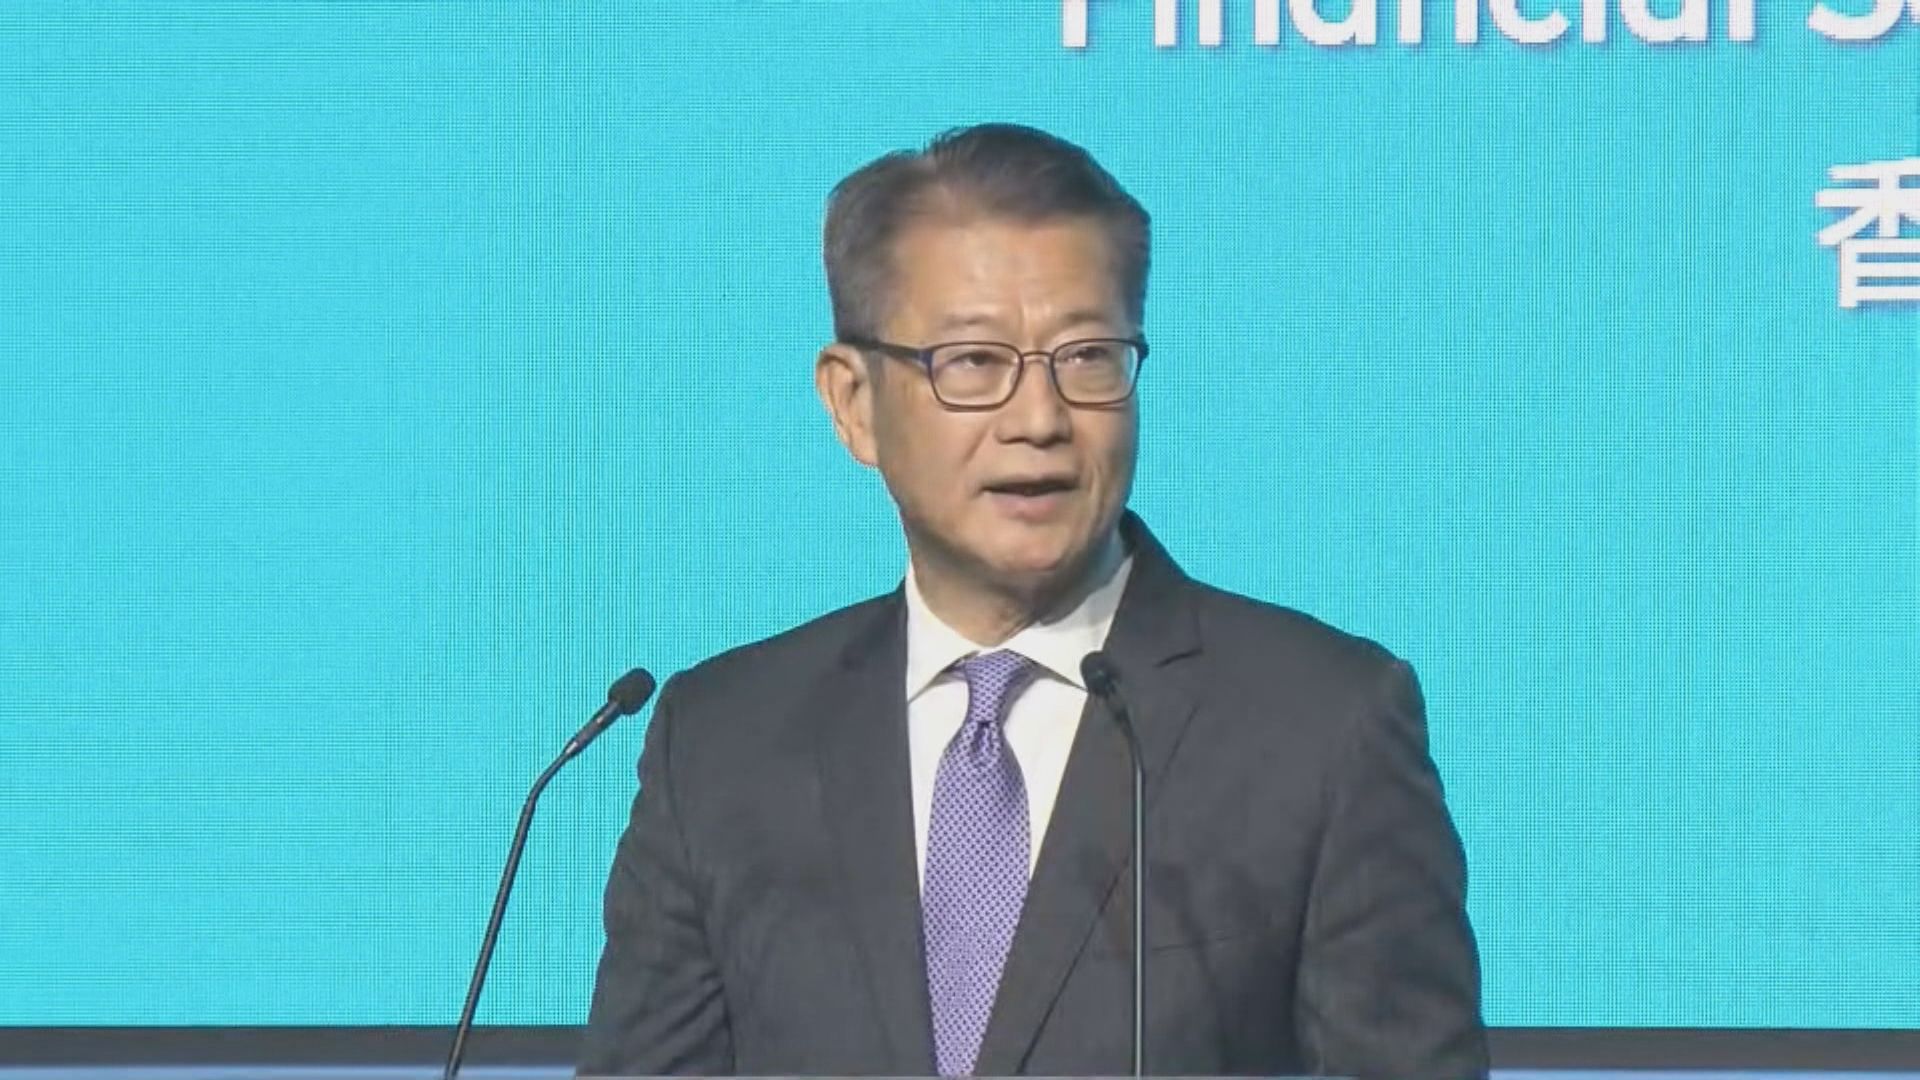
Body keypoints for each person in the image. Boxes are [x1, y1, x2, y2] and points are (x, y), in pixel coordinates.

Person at [579, 123, 1487, 1079]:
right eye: (974, 362)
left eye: (1087, 356)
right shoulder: (722, 741)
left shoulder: (1322, 725)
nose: (1041, 419)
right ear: (853, 403)